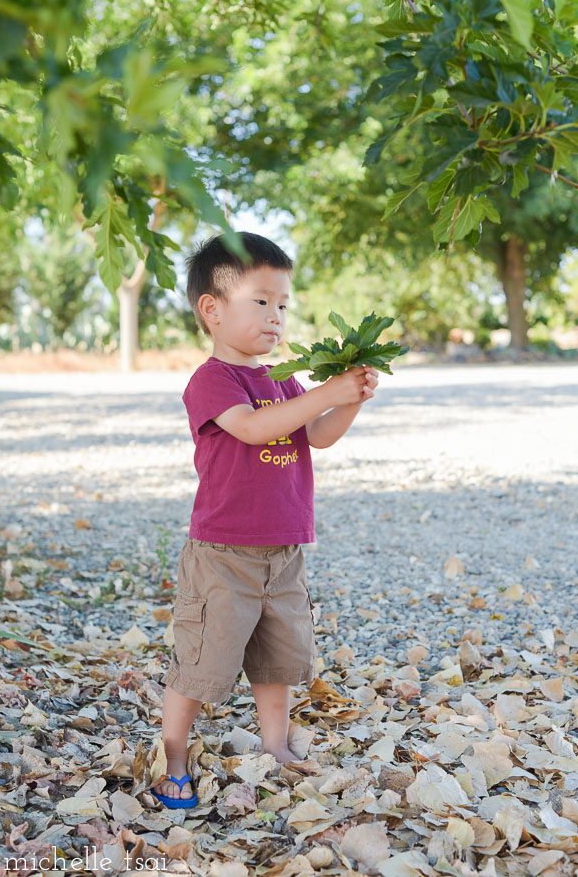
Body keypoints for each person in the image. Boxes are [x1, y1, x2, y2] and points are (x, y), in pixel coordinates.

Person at [151, 232, 378, 808]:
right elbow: (254, 428)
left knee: (276, 657)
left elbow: (317, 435)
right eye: (261, 301)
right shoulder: (211, 382)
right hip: (224, 553)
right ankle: (174, 750)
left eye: (283, 304)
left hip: (284, 551)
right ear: (212, 308)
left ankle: (275, 744)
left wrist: (346, 400)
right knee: (202, 659)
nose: (276, 316)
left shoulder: (284, 378)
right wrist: (327, 388)